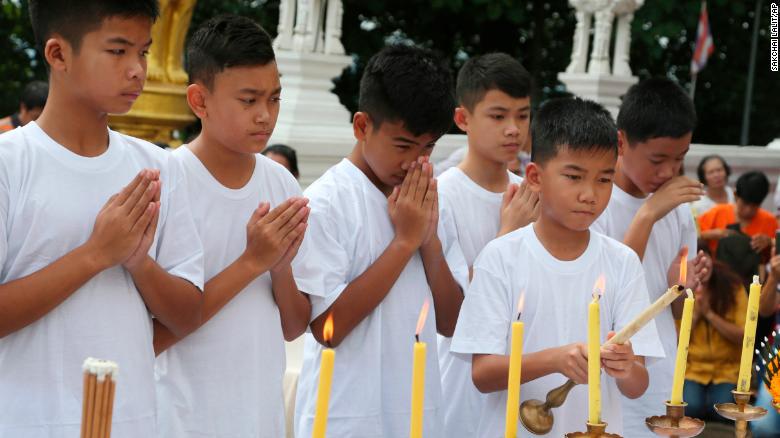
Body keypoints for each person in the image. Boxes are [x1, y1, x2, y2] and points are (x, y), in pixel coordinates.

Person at [0, 2, 204, 436]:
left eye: (144, 52)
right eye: (117, 51)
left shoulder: (160, 168)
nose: (137, 70)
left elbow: (187, 315)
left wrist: (138, 262)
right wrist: (95, 254)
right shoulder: (9, 165)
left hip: (129, 420)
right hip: (26, 421)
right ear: (58, 54)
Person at [451, 97, 664, 438]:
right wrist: (553, 359)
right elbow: (483, 374)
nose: (590, 194)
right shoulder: (500, 257)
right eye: (574, 176)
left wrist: (625, 368)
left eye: (604, 180)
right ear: (534, 177)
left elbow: (637, 385)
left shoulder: (621, 262)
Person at [292, 45, 468, 437]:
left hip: (418, 412)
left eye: (429, 148)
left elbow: (452, 321)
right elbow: (328, 328)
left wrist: (428, 242)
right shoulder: (327, 202)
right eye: (403, 145)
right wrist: (403, 243)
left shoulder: (429, 198)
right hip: (343, 416)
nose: (415, 162)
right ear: (361, 126)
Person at [153, 15, 311, 438]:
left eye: (274, 99)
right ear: (199, 101)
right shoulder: (166, 182)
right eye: (248, 100)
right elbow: (151, 335)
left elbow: (295, 325)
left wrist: (278, 267)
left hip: (259, 415)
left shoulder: (281, 183)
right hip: (183, 416)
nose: (265, 116)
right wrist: (253, 261)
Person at [590, 77, 708, 437]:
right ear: (621, 142)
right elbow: (604, 293)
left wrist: (682, 288)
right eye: (657, 160)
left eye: (680, 159)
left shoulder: (677, 210)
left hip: (659, 376)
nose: (669, 172)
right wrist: (647, 214)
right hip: (606, 376)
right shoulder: (595, 202)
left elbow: (680, 313)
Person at [436, 52, 538, 438]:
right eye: (498, 116)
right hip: (459, 385)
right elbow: (456, 313)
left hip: (525, 377)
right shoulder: (442, 197)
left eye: (523, 115)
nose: (513, 129)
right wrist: (506, 235)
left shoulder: (531, 194)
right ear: (463, 119)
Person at [682, 246, 747, 422]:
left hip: (727, 369)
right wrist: (695, 315)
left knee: (721, 409)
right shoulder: (681, 289)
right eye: (696, 261)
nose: (702, 266)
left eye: (705, 259)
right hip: (693, 369)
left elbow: (743, 335)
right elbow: (675, 340)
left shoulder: (733, 287)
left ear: (712, 259)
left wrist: (710, 314)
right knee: (692, 407)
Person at [699, 171, 777, 256]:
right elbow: (692, 235)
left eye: (754, 206)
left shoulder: (770, 221)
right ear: (735, 195)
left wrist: (770, 242)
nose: (748, 210)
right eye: (745, 203)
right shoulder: (717, 213)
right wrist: (709, 234)